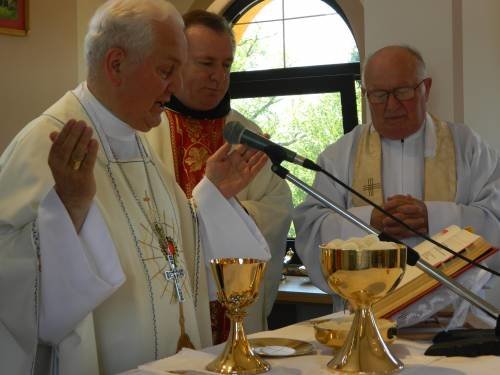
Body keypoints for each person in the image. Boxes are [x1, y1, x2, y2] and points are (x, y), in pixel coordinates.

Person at [0, 1, 273, 374]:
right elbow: (13, 286)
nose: (176, 86)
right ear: (115, 65)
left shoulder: (134, 139)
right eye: (167, 70)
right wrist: (70, 211)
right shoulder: (50, 143)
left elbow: (171, 251)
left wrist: (211, 195)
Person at [294, 45, 500, 325]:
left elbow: (495, 218)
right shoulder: (340, 155)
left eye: (402, 92)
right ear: (366, 95)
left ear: (425, 88)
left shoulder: (468, 148)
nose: (391, 106)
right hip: (366, 322)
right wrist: (370, 221)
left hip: (453, 321)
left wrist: (434, 218)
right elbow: (311, 226)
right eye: (379, 95)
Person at [146, 10, 292, 341]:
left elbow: (279, 208)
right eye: (206, 63)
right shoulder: (145, 131)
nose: (218, 76)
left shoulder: (246, 133)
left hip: (234, 311)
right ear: (177, 61)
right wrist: (210, 207)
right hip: (173, 307)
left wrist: (231, 212)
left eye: (226, 65)